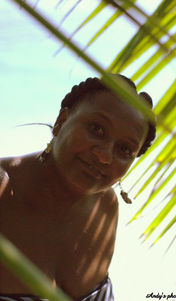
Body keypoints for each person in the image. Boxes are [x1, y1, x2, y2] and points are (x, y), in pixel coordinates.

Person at [0, 74, 156, 301]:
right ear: (61, 120)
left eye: (124, 149)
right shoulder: (4, 190)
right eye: (97, 129)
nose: (104, 156)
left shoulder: (105, 207)